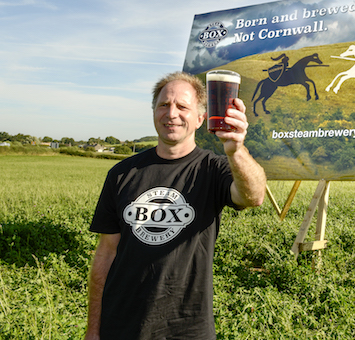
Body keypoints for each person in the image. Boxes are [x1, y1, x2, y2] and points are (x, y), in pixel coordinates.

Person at [84, 71, 266, 339]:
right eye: (163, 105)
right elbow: (105, 255)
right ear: (153, 112)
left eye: (182, 106)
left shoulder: (213, 169)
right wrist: (93, 328)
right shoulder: (121, 174)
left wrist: (236, 150)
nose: (171, 113)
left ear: (200, 118)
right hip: (121, 325)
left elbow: (253, 196)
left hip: (187, 326)